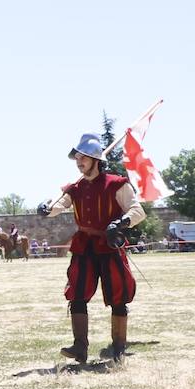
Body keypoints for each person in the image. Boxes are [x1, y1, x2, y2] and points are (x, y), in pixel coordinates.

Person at [38, 133, 146, 363]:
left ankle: (118, 347)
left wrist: (121, 222)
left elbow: (138, 211)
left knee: (118, 296)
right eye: (77, 158)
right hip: (84, 247)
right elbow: (59, 205)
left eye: (83, 158)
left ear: (96, 160)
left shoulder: (117, 184)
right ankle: (80, 347)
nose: (79, 162)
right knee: (76, 294)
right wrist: (47, 207)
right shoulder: (74, 188)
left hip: (108, 245)